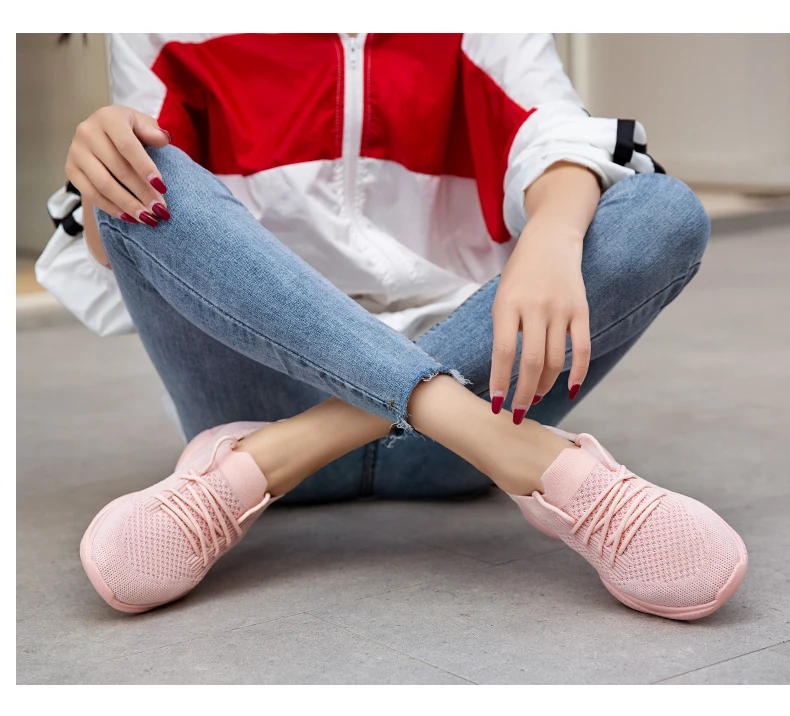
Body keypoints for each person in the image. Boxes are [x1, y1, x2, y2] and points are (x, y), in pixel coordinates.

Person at [49, 33, 746, 620]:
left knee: (662, 210)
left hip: (468, 400)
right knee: (138, 171)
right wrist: (100, 164)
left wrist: (554, 234)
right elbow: (125, 237)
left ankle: (263, 463)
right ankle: (534, 464)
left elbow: (553, 132)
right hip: (283, 392)